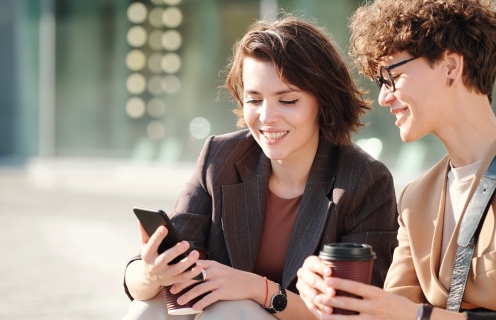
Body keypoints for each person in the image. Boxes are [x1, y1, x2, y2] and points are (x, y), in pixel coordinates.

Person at [296, 0, 496, 319]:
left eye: (392, 76)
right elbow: (390, 312)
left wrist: (418, 315)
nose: (384, 96)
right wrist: (325, 294)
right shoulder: (417, 197)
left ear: (450, 66)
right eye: (380, 82)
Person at [122, 15, 399, 320]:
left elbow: (359, 311)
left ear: (325, 101)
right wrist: (151, 273)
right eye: (254, 100)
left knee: (231, 310)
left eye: (288, 100)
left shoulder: (365, 180)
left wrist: (261, 290)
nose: (267, 117)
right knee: (147, 307)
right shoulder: (221, 157)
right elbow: (142, 278)